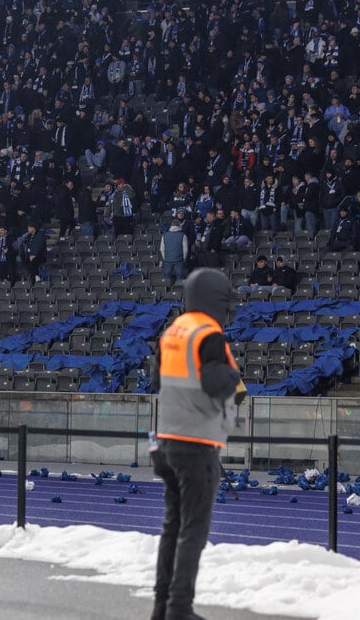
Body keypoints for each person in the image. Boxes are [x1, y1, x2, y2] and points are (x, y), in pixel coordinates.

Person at [150, 268, 241, 620]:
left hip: (168, 441)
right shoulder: (209, 334)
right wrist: (235, 374)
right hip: (197, 444)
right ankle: (179, 610)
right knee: (193, 531)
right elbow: (217, 383)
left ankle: (162, 608)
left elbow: (158, 377)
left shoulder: (174, 330)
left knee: (172, 527)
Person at [160, 219, 189, 284]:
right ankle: (179, 292)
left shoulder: (164, 235)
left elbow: (162, 249)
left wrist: (165, 258)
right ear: (179, 225)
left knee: (167, 280)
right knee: (180, 279)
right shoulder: (183, 235)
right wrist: (183, 259)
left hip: (167, 260)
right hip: (179, 260)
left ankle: (166, 293)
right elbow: (185, 250)